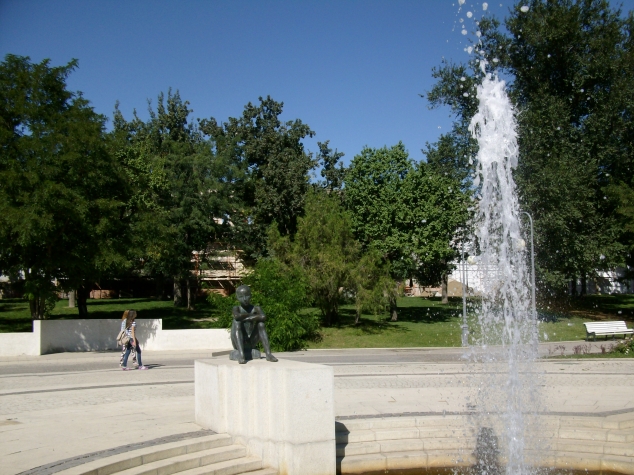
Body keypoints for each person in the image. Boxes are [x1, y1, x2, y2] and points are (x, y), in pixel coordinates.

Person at [231, 285, 278, 364]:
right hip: (238, 341)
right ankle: (241, 355)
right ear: (237, 297)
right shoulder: (237, 308)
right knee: (237, 322)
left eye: (247, 296)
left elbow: (263, 316)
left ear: (250, 296)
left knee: (261, 324)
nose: (244, 299)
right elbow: (237, 316)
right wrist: (252, 315)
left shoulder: (256, 308)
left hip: (251, 341)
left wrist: (249, 318)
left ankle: (268, 354)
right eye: (241, 297)